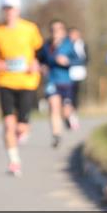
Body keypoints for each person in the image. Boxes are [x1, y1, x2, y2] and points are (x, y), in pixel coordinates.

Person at [0, 0, 44, 177]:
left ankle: (23, 129)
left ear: (18, 10)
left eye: (12, 8)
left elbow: (40, 52)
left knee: (21, 127)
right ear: (2, 11)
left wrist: (36, 63)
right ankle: (14, 161)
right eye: (6, 8)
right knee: (8, 124)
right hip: (5, 81)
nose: (9, 12)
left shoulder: (30, 29)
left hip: (27, 81)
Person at [37, 19, 81, 148]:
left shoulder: (69, 44)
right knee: (53, 107)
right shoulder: (46, 46)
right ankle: (56, 135)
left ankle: (68, 118)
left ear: (63, 31)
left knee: (66, 110)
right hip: (52, 80)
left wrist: (67, 61)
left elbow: (80, 60)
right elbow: (40, 59)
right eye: (53, 29)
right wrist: (42, 66)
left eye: (58, 29)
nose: (55, 32)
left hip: (66, 81)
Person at [67, 27, 87, 126]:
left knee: (75, 95)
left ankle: (74, 114)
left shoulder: (82, 44)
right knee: (68, 96)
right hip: (66, 74)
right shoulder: (66, 44)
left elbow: (85, 59)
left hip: (78, 74)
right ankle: (68, 114)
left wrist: (71, 62)